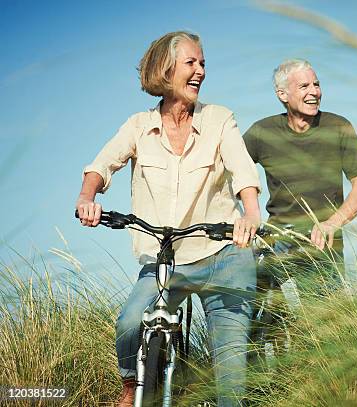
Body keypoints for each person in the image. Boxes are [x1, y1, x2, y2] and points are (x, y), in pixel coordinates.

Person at [75, 31, 260, 407]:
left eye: (203, 63)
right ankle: (134, 388)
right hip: (165, 261)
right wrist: (87, 197)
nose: (200, 71)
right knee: (130, 324)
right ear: (166, 68)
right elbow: (101, 165)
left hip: (223, 255)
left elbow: (243, 172)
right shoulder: (139, 126)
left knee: (231, 376)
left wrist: (251, 213)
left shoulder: (220, 119)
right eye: (191, 62)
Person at [243, 59, 357, 261]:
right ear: (282, 94)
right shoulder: (262, 132)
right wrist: (249, 213)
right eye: (304, 86)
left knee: (325, 294)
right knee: (256, 288)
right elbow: (232, 169)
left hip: (324, 239)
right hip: (278, 237)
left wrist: (332, 223)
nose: (314, 92)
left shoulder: (338, 127)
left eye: (316, 84)